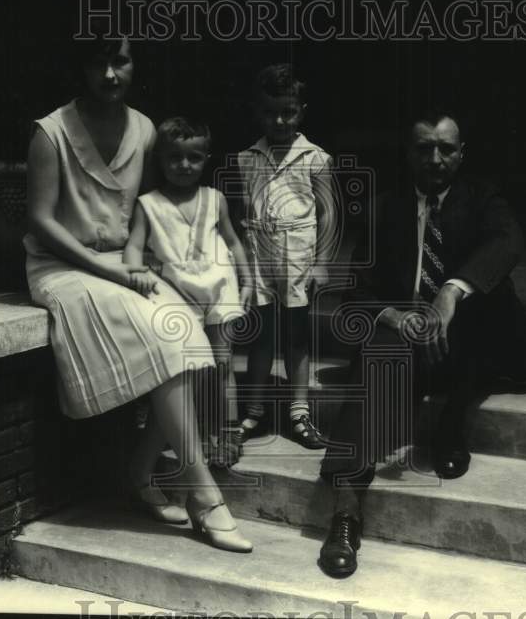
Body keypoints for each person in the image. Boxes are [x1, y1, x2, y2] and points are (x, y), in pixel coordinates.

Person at [24, 37, 252, 553]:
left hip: (125, 266)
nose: (109, 74)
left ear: (134, 65)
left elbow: (153, 214)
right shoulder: (50, 132)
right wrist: (118, 274)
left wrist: (182, 273)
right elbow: (39, 222)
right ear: (81, 68)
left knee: (190, 336)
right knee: (165, 335)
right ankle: (204, 493)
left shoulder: (146, 129)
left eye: (120, 61)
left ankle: (141, 469)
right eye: (98, 63)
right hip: (64, 268)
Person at [316, 109, 526, 577]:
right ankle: (345, 509)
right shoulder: (384, 207)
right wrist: (396, 317)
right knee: (377, 353)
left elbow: (507, 242)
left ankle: (449, 423)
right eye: (424, 148)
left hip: (472, 335)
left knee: (477, 321)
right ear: (408, 153)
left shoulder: (483, 199)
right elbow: (357, 291)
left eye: (446, 148)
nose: (435, 158)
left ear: (462, 154)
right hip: (411, 338)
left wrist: (449, 292)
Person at [124, 117, 254, 469]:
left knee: (223, 365)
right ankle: (187, 433)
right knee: (185, 368)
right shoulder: (148, 204)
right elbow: (134, 247)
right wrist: (135, 271)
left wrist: (248, 281)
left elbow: (233, 242)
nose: (184, 165)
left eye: (194, 158)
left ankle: (226, 433)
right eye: (175, 158)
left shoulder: (215, 200)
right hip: (177, 294)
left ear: (206, 158)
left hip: (219, 289)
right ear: (161, 160)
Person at [234, 63, 338, 449]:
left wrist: (322, 261)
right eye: (270, 111)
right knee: (260, 335)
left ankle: (299, 413)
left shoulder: (314, 158)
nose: (279, 120)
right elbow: (243, 215)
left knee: (296, 336)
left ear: (302, 110)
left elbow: (329, 212)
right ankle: (254, 412)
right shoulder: (248, 159)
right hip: (260, 256)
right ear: (258, 112)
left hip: (298, 256)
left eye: (288, 111)